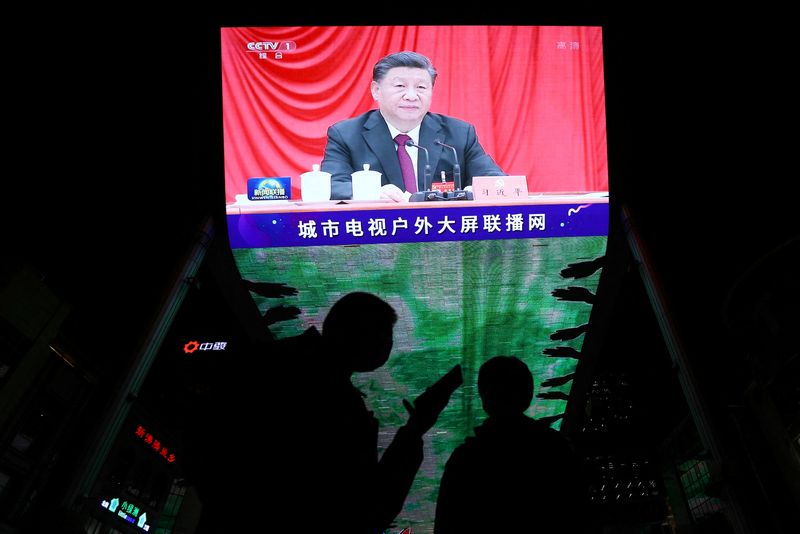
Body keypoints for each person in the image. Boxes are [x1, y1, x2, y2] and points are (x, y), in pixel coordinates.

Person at [266, 292, 462, 533]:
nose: (387, 345)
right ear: (353, 333)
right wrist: (415, 429)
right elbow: (365, 511)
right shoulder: (338, 407)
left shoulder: (272, 360)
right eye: (384, 334)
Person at [322, 51, 505, 202]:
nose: (411, 96)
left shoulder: (459, 134)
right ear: (376, 90)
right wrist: (370, 192)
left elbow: (496, 180)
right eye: (400, 86)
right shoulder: (346, 135)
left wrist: (476, 191)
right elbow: (331, 184)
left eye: (421, 87)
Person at [434, 355, 588, 533]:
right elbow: (577, 516)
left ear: (485, 398)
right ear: (528, 395)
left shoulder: (465, 459)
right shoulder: (557, 449)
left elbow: (446, 525)